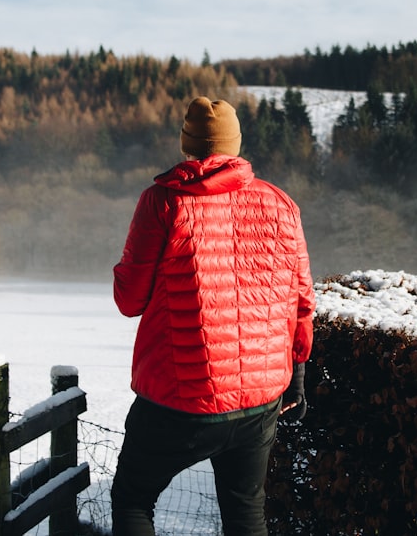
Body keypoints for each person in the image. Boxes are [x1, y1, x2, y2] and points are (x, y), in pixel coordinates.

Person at [110, 96, 315, 536]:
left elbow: (129, 300)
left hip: (181, 395)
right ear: (235, 146)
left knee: (132, 499)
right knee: (246, 515)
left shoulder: (163, 202)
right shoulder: (280, 203)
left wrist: (126, 267)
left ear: (188, 146)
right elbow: (301, 298)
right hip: (259, 400)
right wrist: (297, 372)